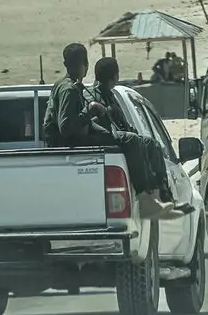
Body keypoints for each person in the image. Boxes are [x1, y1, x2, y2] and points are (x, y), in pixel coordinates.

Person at [86, 57, 195, 219]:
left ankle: (162, 198)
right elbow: (100, 123)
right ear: (115, 76)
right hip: (108, 141)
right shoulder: (93, 95)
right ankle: (148, 199)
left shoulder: (110, 95)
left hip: (116, 138)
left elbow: (121, 122)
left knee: (152, 144)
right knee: (136, 141)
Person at [43, 41, 92, 147]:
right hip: (66, 144)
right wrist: (89, 111)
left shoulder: (62, 84)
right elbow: (65, 128)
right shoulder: (69, 89)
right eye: (83, 62)